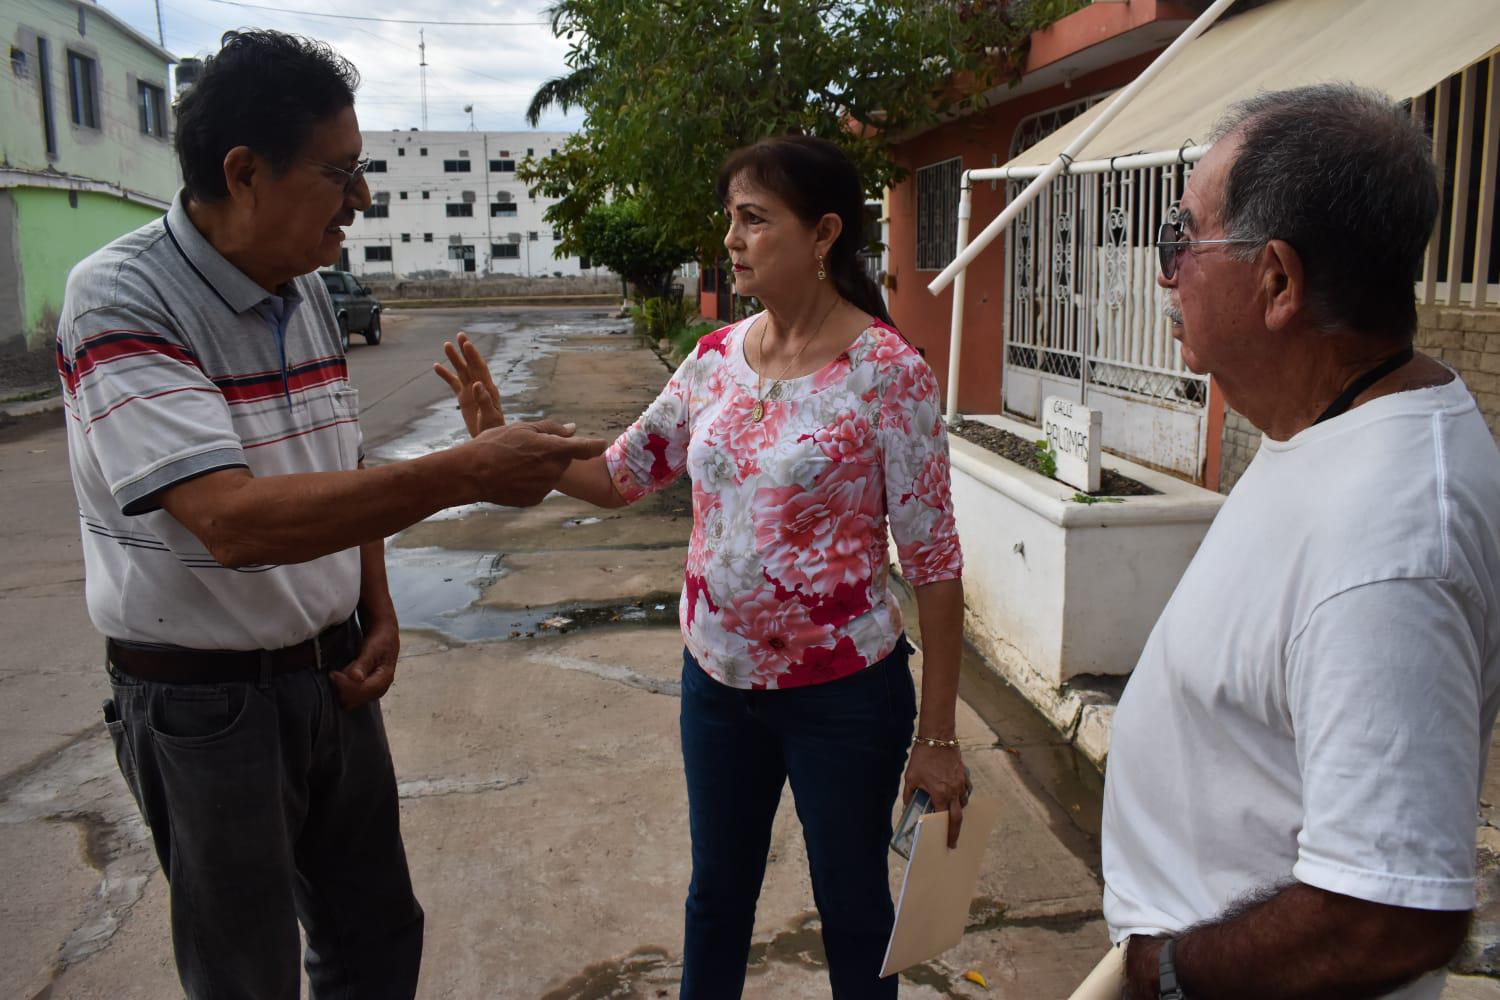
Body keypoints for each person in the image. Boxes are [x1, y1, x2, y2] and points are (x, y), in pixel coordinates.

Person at [56, 30, 603, 1000]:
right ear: (245, 173)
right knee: (246, 973)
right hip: (205, 706)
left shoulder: (304, 294)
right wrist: (463, 470)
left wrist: (375, 607)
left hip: (331, 681)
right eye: (341, 174)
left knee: (377, 938)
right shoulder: (124, 300)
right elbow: (231, 519)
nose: (361, 201)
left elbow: (334, 461)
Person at [437, 135, 968, 998]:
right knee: (716, 898)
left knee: (856, 913)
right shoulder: (715, 358)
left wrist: (937, 737)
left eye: (754, 220)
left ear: (824, 232)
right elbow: (617, 474)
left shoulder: (888, 375)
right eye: (731, 219)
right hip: (716, 686)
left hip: (845, 699)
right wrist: (508, 448)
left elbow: (936, 564)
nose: (731, 239)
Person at [1102, 83, 1500, 1000]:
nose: (1165, 274)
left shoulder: (1393, 540)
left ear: (1278, 282)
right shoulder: (1327, 425)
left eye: (1180, 239)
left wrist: (1165, 971)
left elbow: (1388, 914)